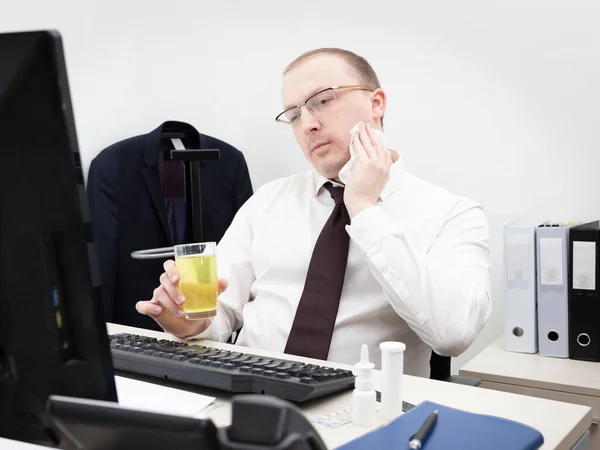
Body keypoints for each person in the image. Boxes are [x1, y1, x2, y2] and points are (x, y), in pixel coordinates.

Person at [135, 48, 492, 377]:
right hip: (249, 394)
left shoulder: (452, 214)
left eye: (322, 101)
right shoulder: (269, 200)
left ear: (377, 103)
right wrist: (189, 321)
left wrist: (364, 209)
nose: (308, 125)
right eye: (294, 115)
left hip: (365, 408)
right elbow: (221, 312)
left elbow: (453, 335)